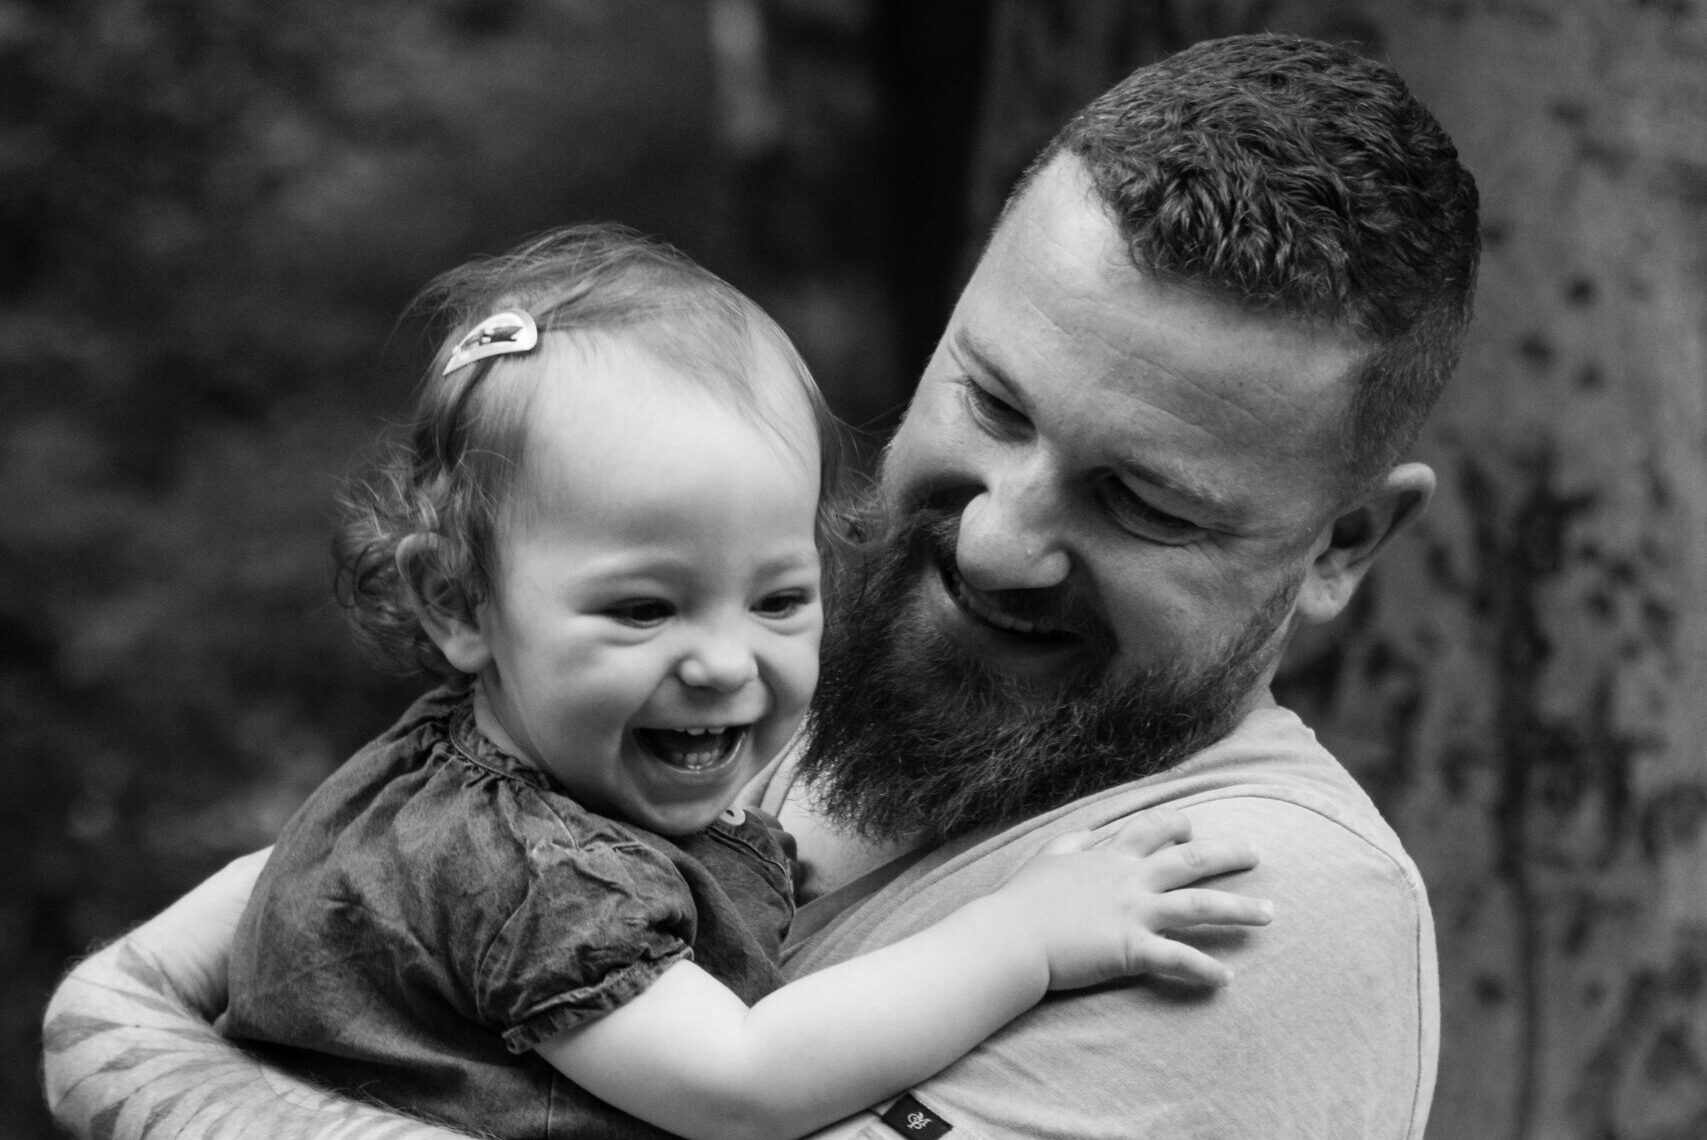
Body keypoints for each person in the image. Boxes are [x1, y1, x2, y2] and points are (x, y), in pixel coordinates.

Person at [41, 32, 1480, 1139]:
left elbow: (129, 1018)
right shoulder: (764, 665)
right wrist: (120, 1027)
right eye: (989, 402)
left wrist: (149, 1063)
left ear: (1343, 544)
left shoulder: (1253, 908)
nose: (994, 543)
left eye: (1140, 501)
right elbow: (129, 994)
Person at [204, 223, 1273, 1140]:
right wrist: (1025, 936)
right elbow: (743, 1083)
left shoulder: (514, 780)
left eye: (777, 600)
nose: (724, 663)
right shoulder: (534, 872)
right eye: (642, 609)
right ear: (458, 602)